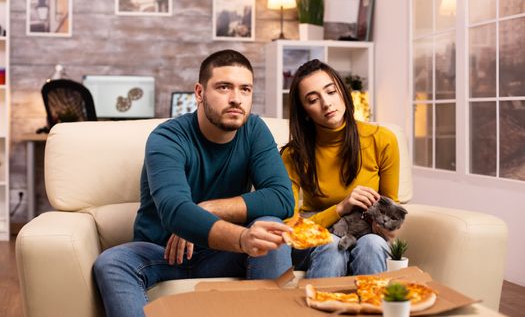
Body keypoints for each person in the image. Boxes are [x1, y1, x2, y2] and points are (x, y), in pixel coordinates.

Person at [94, 49, 295, 317]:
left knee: (271, 228)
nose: (236, 99)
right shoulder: (167, 138)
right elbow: (174, 210)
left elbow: (283, 198)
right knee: (112, 262)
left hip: (222, 252)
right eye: (224, 87)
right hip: (162, 252)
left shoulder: (254, 131)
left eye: (245, 89)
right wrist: (243, 237)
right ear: (199, 93)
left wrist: (205, 209)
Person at [280, 59, 401, 278]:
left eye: (331, 92)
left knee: (373, 244)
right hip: (318, 238)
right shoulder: (293, 155)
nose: (326, 104)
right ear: (305, 111)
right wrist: (340, 208)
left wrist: (381, 224)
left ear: (343, 93)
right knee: (332, 246)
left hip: (367, 233)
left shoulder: (382, 140)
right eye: (313, 100)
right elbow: (291, 226)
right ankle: (319, 309)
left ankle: (372, 309)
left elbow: (391, 212)